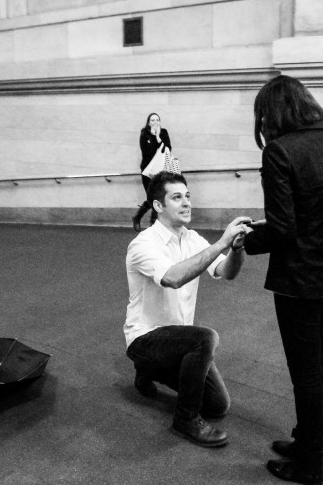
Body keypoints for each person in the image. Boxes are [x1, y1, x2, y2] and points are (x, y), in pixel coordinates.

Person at [243, 76, 323, 485]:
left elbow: (284, 228)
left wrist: (248, 240)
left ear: (274, 114)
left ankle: (310, 464)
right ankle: (305, 440)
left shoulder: (280, 151)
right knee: (314, 364)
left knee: (304, 372)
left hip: (299, 280)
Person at [124, 171, 250, 447]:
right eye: (177, 197)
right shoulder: (142, 244)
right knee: (205, 337)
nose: (186, 203)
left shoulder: (192, 239)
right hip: (145, 338)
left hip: (178, 341)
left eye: (188, 196)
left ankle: (150, 371)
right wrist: (221, 242)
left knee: (218, 406)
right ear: (158, 206)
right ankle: (185, 418)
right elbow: (172, 277)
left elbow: (225, 271)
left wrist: (236, 250)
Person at [132, 113, 171, 231]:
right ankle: (139, 218)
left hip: (161, 170)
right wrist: (153, 136)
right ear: (148, 123)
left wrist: (158, 137)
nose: (155, 122)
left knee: (157, 198)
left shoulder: (163, 132)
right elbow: (147, 151)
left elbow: (167, 149)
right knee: (152, 198)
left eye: (157, 120)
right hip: (148, 171)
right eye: (152, 120)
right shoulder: (144, 134)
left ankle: (152, 225)